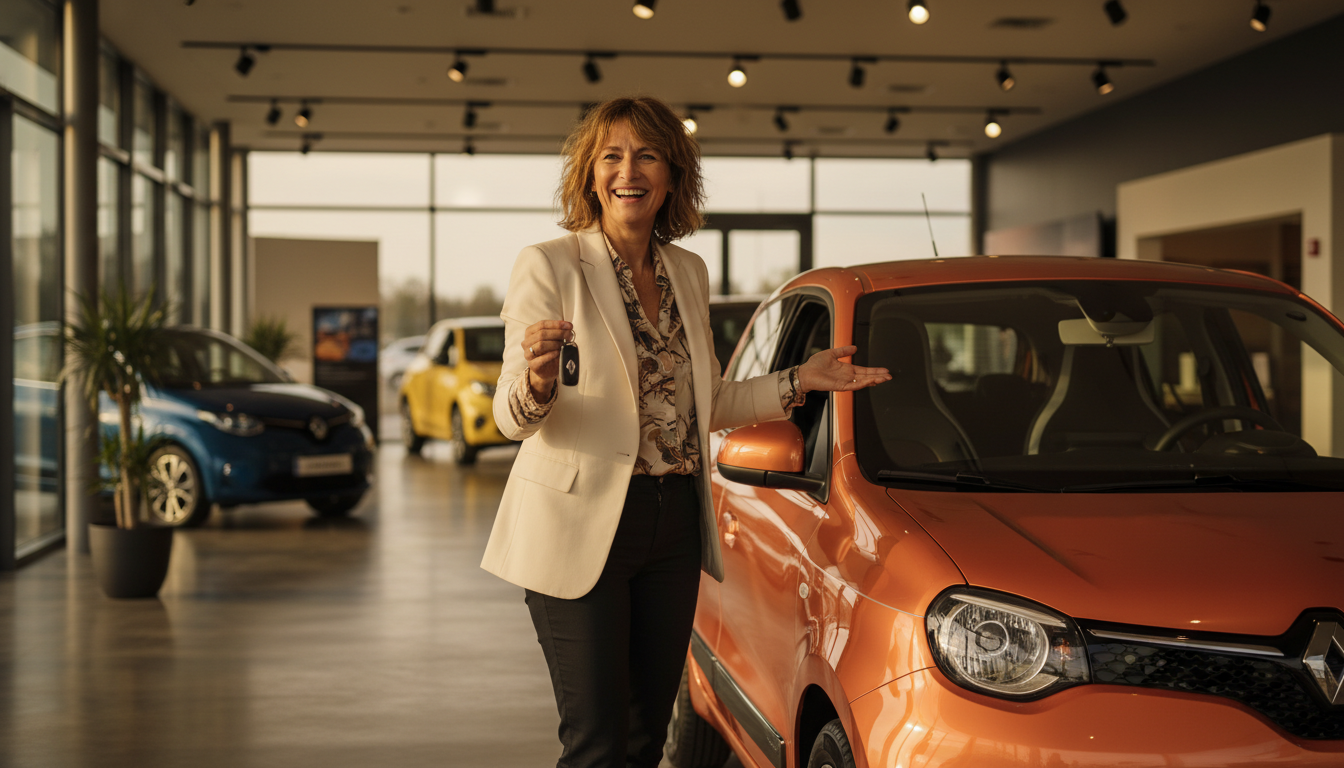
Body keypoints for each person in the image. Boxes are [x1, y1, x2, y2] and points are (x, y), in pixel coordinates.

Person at [481, 96, 890, 768]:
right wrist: (537, 382)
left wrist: (799, 380)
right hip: (581, 526)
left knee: (645, 743)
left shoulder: (687, 274)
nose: (627, 171)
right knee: (598, 742)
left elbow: (707, 404)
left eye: (646, 155)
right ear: (590, 174)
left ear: (672, 175)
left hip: (673, 526)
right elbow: (509, 417)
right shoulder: (549, 265)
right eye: (611, 156)